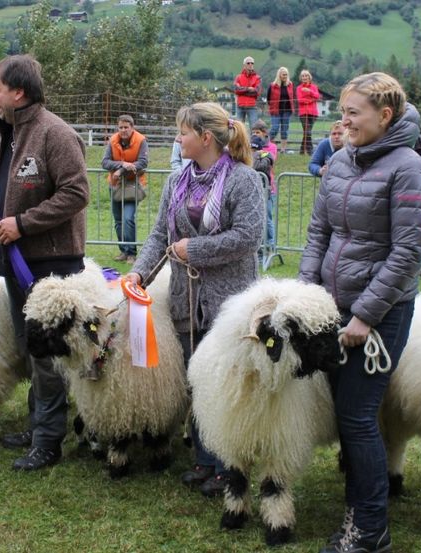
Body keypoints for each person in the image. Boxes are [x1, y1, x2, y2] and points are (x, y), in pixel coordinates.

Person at [299, 72, 421, 553]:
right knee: (345, 413)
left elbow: (406, 253)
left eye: (353, 113)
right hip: (332, 307)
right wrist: (306, 295)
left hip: (380, 314)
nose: (344, 121)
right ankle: (359, 506)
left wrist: (366, 316)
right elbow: (319, 231)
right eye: (343, 112)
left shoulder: (408, 169)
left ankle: (371, 527)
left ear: (385, 115)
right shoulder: (339, 161)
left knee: (357, 416)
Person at [125, 102, 263, 497]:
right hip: (187, 300)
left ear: (205, 138)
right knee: (197, 382)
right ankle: (204, 459)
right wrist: (139, 273)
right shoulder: (177, 181)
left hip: (228, 301)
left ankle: (229, 465)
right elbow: (160, 235)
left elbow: (248, 237)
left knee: (227, 387)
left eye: (183, 132)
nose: (177, 138)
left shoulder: (243, 180)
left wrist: (194, 250)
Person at [0, 54, 90, 471]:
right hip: (13, 260)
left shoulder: (55, 134)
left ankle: (48, 440)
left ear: (19, 92)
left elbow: (76, 192)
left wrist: (23, 224)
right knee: (30, 348)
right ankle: (39, 423)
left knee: (49, 355)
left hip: (51, 263)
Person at [101, 114, 148, 263]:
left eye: (126, 127)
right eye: (120, 127)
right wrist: (122, 164)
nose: (123, 130)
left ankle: (132, 253)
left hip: (132, 185)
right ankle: (123, 251)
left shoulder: (141, 140)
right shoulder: (112, 140)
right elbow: (105, 162)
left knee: (128, 219)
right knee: (118, 220)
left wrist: (121, 170)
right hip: (115, 185)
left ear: (132, 127)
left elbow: (143, 162)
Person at [251, 119, 277, 247]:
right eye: (253, 132)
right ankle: (260, 245)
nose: (255, 134)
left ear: (264, 133)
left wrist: (257, 154)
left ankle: (271, 244)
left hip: (268, 187)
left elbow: (267, 162)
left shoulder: (271, 147)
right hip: (255, 187)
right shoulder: (252, 145)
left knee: (267, 217)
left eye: (258, 132)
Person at [266, 66, 294, 152]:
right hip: (276, 111)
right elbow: (268, 98)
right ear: (279, 75)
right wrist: (272, 106)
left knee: (284, 130)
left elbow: (292, 97)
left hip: (287, 111)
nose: (285, 76)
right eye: (283, 75)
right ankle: (266, 144)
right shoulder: (272, 85)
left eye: (286, 74)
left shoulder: (290, 85)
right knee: (275, 128)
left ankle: (283, 149)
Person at [296, 69, 320, 155]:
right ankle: (310, 151)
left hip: (313, 113)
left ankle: (302, 150)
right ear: (301, 78)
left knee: (306, 132)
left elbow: (317, 96)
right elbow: (300, 100)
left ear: (309, 77)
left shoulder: (314, 87)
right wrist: (311, 100)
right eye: (303, 76)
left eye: (306, 75)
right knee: (308, 131)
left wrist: (310, 92)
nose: (304, 77)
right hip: (303, 113)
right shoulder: (299, 88)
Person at [233, 56, 261, 128]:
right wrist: (249, 89)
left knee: (254, 128)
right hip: (240, 106)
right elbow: (236, 90)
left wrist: (242, 90)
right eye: (248, 63)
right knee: (239, 129)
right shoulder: (238, 77)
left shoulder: (257, 78)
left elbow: (257, 92)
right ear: (244, 65)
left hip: (252, 106)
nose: (250, 64)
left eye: (252, 63)